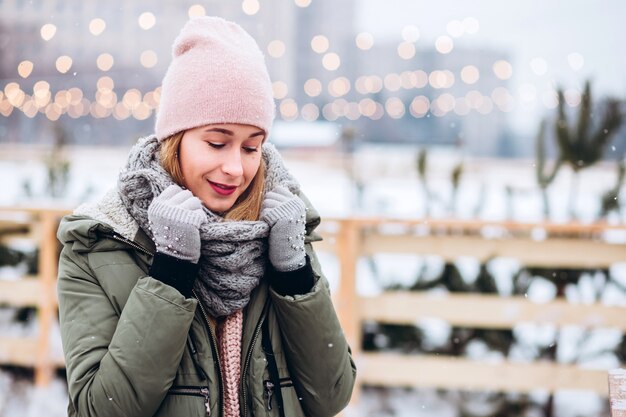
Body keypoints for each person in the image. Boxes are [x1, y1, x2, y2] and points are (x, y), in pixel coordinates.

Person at [56, 16, 356, 417]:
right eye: (217, 142)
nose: (235, 167)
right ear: (175, 142)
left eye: (252, 148)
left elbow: (330, 396)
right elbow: (100, 409)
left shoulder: (281, 231)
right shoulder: (99, 246)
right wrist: (170, 273)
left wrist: (293, 274)